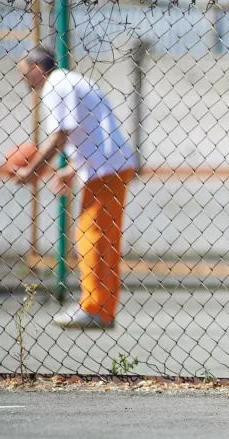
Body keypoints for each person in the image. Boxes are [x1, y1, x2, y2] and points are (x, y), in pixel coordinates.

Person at [15, 45, 137, 329]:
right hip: (114, 163)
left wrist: (32, 171)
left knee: (88, 235)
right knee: (106, 241)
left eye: (23, 73)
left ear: (36, 69)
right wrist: (72, 169)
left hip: (104, 168)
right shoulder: (75, 80)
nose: (23, 80)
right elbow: (92, 132)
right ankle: (103, 309)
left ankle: (93, 307)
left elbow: (60, 134)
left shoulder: (53, 86)